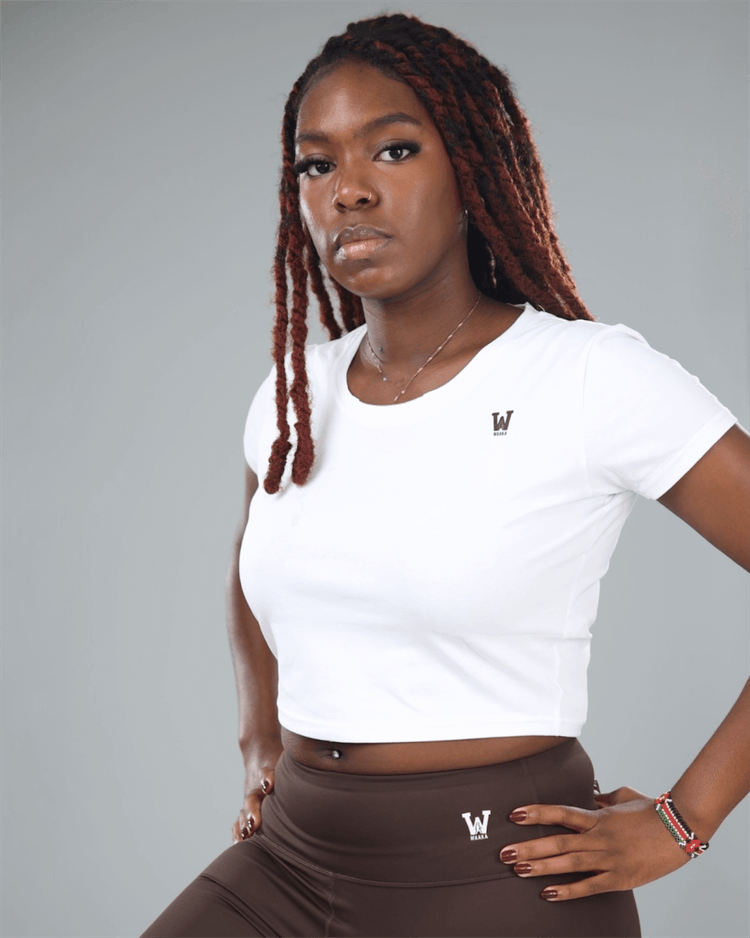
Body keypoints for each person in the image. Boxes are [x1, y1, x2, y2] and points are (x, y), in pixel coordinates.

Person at [142, 13, 749, 938]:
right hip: (296, 859)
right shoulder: (295, 392)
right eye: (317, 164)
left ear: (469, 168)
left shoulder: (587, 375)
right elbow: (252, 568)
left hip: (496, 873)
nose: (348, 191)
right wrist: (260, 739)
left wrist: (688, 817)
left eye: (392, 150)